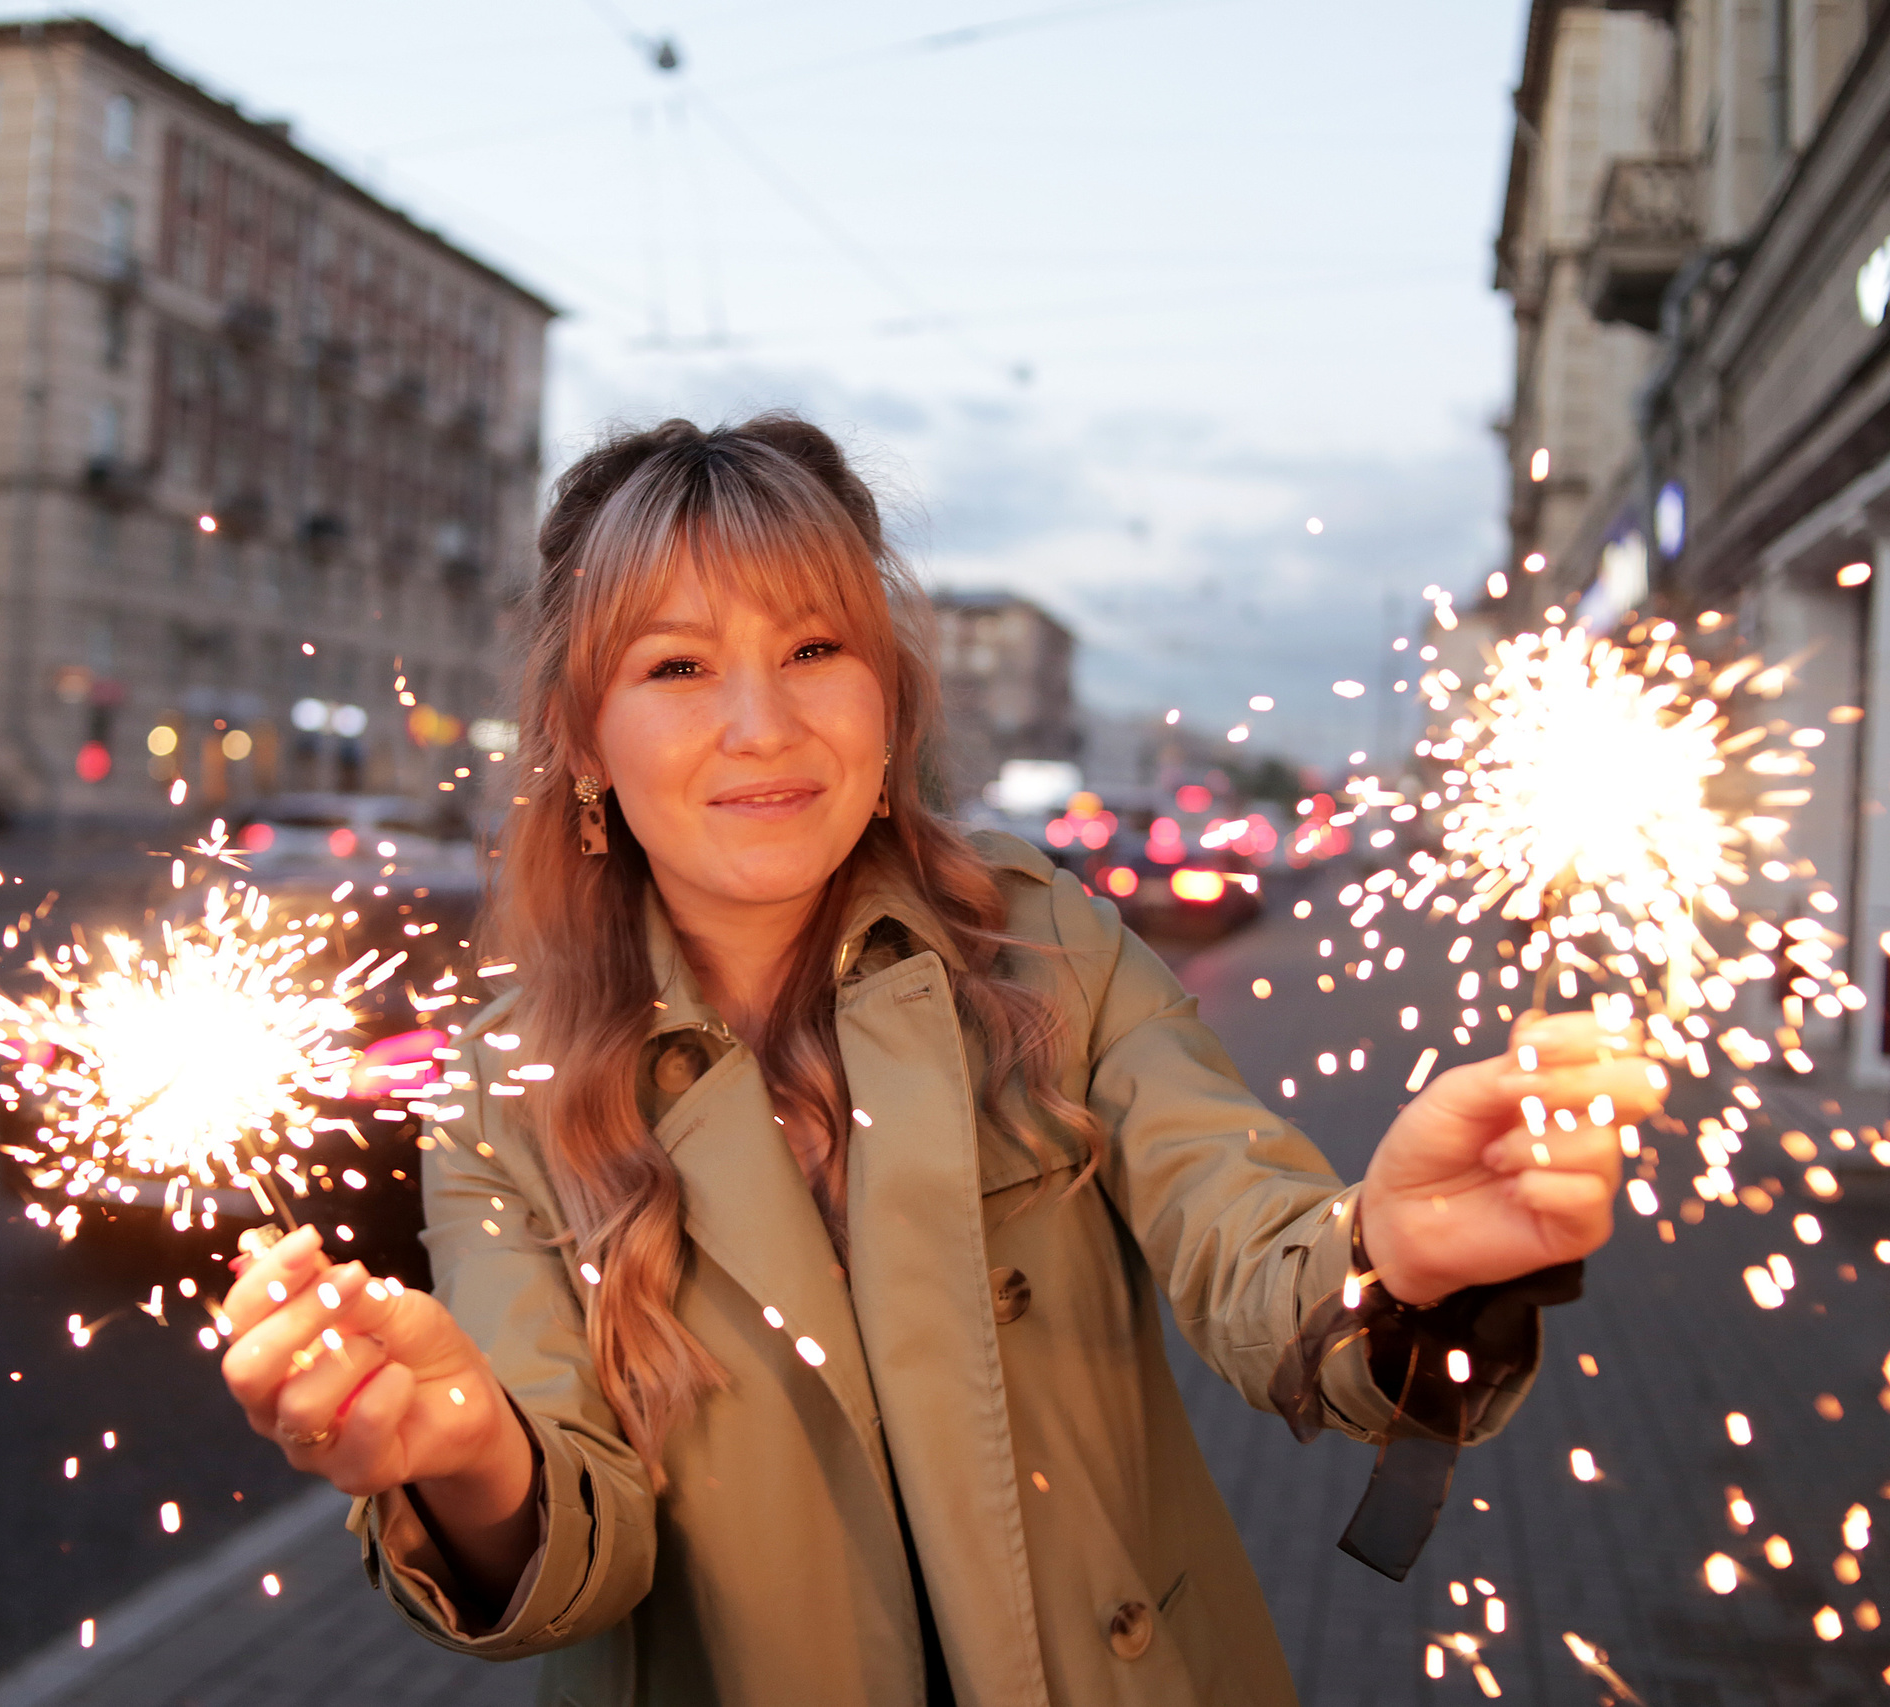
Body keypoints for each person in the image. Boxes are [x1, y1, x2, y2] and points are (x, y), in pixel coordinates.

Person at [218, 416, 1667, 1706]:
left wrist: (1390, 1257)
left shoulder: (1045, 946)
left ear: (890, 695)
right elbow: (576, 1559)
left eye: (814, 649)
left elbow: (1255, 1255)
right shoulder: (508, 1091)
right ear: (583, 741)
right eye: (676, 665)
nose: (762, 724)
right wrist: (465, 1454)